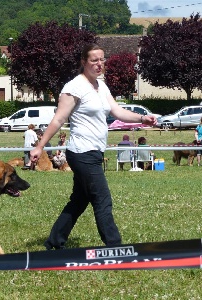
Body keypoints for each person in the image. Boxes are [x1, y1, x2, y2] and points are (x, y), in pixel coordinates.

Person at [30, 43, 157, 250]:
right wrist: (40, 146)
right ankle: (115, 246)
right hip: (82, 153)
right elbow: (58, 119)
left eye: (102, 59)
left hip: (94, 152)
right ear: (83, 62)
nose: (99, 64)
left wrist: (143, 118)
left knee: (79, 201)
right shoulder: (74, 87)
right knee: (102, 199)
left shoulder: (101, 86)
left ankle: (54, 242)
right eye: (94, 60)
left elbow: (117, 111)